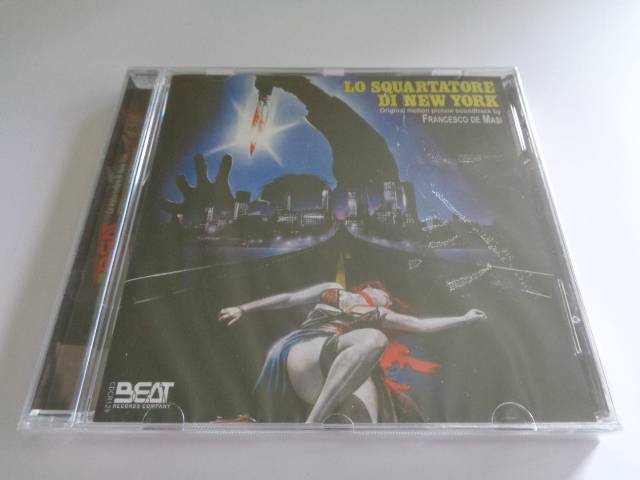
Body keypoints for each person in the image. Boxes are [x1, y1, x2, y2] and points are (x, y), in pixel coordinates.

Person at [218, 281, 486, 423]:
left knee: (375, 339)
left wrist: (464, 319)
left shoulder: (379, 314)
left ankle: (315, 424)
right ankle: (314, 424)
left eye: (389, 300)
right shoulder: (331, 291)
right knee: (373, 339)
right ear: (368, 288)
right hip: (307, 345)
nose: (387, 299)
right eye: (384, 294)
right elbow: (289, 299)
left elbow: (421, 325)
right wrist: (243, 308)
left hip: (334, 356)